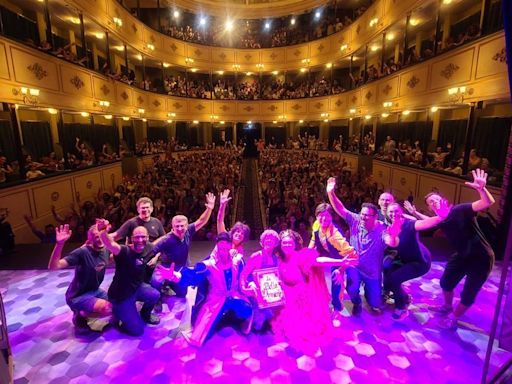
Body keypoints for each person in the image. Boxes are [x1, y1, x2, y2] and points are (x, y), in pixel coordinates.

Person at [409, 169, 495, 329]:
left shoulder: (460, 210)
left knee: (469, 293)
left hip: (482, 257)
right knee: (446, 282)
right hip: (462, 255)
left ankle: (454, 318)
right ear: (430, 208)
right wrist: (414, 213)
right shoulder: (440, 220)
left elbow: (487, 203)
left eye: (436, 199)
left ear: (444, 200)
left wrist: (482, 189)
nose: (434, 203)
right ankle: (447, 306)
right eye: (431, 203)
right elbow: (428, 220)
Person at [274, 230, 356, 352]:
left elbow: (319, 261)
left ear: (295, 244)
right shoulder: (280, 259)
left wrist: (340, 262)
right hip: (286, 293)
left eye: (289, 243)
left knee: (306, 331)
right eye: (284, 243)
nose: (287, 245)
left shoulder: (301, 256)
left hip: (301, 295)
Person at [326, 177, 387, 315]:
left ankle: (371, 299)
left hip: (373, 271)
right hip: (355, 266)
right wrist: (330, 192)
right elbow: (340, 208)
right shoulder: (355, 220)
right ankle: (357, 303)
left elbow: (392, 238)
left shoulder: (382, 229)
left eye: (367, 215)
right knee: (352, 289)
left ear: (375, 217)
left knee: (375, 302)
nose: (363, 217)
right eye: (362, 214)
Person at [181, 232, 253, 346]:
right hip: (216, 300)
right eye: (221, 246)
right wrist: (175, 276)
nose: (224, 249)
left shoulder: (237, 260)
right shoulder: (208, 264)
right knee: (202, 336)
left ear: (230, 245)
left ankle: (229, 316)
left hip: (234, 296)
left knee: (247, 310)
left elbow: (244, 276)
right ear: (217, 246)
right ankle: (217, 320)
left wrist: (250, 284)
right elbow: (193, 277)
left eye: (226, 245)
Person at [383, 202, 448, 320]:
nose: (393, 214)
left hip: (420, 261)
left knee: (395, 278)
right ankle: (404, 297)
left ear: (401, 212)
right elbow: (390, 243)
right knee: (387, 273)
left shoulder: (410, 224)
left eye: (396, 211)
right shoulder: (389, 228)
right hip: (405, 260)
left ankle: (401, 307)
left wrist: (440, 217)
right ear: (387, 214)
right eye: (390, 212)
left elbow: (427, 223)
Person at [98, 220, 163, 336]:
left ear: (148, 237)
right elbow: (109, 244)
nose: (140, 240)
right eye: (137, 237)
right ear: (131, 238)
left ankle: (145, 314)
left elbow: (161, 243)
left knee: (155, 294)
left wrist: (156, 257)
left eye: (143, 237)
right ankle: (118, 314)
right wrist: (102, 231)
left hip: (137, 288)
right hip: (121, 295)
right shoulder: (123, 251)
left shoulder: (148, 247)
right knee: (137, 330)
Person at [150, 193, 216, 299]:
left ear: (187, 226)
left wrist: (209, 208)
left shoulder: (188, 231)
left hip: (180, 269)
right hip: (166, 269)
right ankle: (159, 295)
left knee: (182, 294)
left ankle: (169, 285)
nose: (180, 228)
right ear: (172, 227)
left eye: (182, 226)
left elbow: (202, 220)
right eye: (177, 226)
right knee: (155, 281)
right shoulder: (166, 240)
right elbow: (151, 249)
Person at [48, 224, 112, 330]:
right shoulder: (82, 252)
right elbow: (54, 266)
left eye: (102, 235)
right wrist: (60, 244)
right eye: (96, 236)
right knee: (107, 308)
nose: (100, 239)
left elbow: (110, 258)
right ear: (90, 239)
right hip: (77, 295)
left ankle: (85, 313)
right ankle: (80, 315)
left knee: (118, 305)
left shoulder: (105, 249)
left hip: (95, 290)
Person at [308, 203, 358, 326]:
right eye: (320, 216)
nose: (323, 220)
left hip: (344, 259)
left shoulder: (335, 235)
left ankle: (338, 308)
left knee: (339, 283)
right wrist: (307, 255)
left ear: (332, 217)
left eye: (327, 217)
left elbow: (353, 256)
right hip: (329, 256)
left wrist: (341, 269)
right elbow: (313, 239)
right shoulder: (316, 224)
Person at [240, 229, 280, 331]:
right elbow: (244, 274)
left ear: (276, 243)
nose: (269, 241)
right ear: (262, 242)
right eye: (266, 239)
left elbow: (277, 277)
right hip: (256, 290)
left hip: (270, 292)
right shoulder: (256, 256)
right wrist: (246, 286)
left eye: (272, 239)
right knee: (258, 326)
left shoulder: (276, 258)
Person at [215, 189, 250, 257]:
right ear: (233, 232)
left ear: (244, 238)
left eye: (242, 234)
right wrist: (222, 205)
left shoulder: (240, 250)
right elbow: (220, 221)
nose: (239, 234)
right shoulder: (224, 237)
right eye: (237, 231)